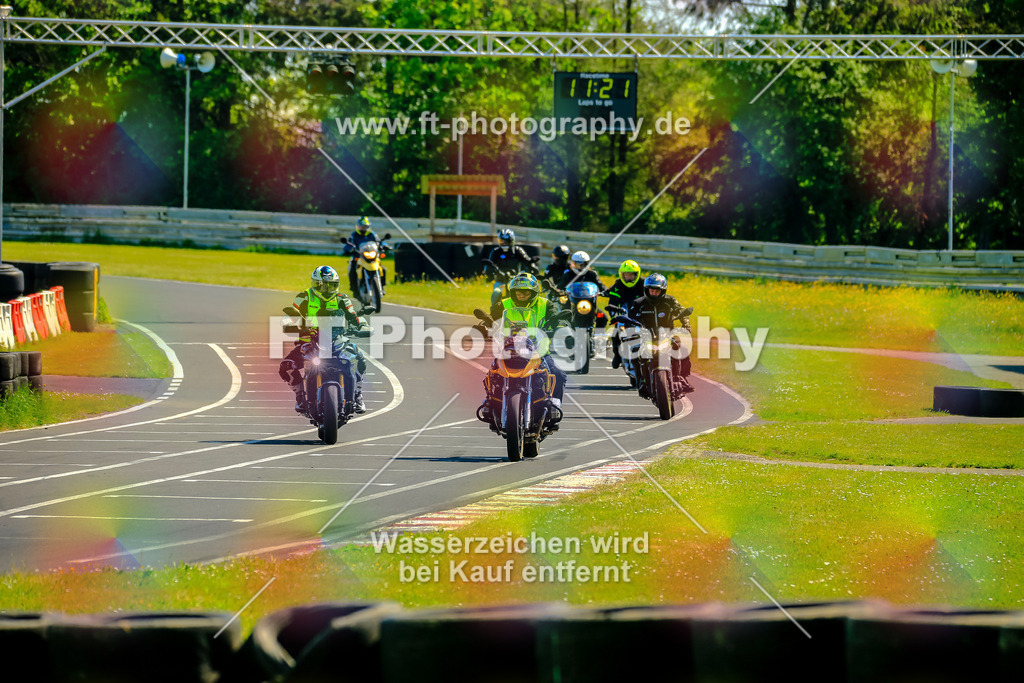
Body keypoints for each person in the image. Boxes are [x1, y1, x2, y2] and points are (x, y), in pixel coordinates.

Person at [278, 265, 369, 414]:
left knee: (359, 358)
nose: (326, 289)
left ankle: (358, 395)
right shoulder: (304, 297)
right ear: (315, 283)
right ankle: (300, 396)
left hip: (338, 340)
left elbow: (354, 315)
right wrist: (288, 323)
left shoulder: (342, 298)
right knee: (286, 366)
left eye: (331, 285)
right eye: (322, 285)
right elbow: (290, 314)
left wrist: (363, 325)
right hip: (308, 342)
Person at [479, 273, 567, 423]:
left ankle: (553, 409)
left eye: (526, 292)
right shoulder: (504, 304)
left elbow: (557, 318)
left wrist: (561, 327)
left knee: (558, 374)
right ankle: (489, 403)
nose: (522, 295)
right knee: (492, 374)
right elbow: (492, 319)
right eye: (518, 292)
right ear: (513, 292)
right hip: (508, 351)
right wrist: (484, 326)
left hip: (538, 352)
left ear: (533, 293)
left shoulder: (545, 304)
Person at [623, 273, 694, 395]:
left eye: (657, 291)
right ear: (646, 290)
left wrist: (686, 324)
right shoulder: (639, 303)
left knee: (681, 347)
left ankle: (681, 377)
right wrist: (630, 331)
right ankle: (641, 380)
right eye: (651, 291)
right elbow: (630, 319)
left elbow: (681, 311)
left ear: (663, 291)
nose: (653, 293)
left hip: (667, 334)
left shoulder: (669, 301)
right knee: (635, 351)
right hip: (646, 336)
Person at [604, 260, 645, 369]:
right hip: (624, 314)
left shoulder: (644, 284)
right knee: (615, 332)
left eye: (631, 275)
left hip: (641, 314)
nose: (628, 278)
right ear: (622, 275)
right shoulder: (618, 285)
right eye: (626, 275)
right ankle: (617, 355)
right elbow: (612, 301)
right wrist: (614, 316)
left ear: (636, 274)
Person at [483, 229, 538, 305]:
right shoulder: (496, 251)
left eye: (506, 241)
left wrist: (532, 263)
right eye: (501, 241)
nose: (503, 243)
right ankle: (493, 312)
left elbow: (526, 260)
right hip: (500, 280)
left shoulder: (517, 250)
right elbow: (490, 264)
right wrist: (491, 273)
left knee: (520, 294)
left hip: (515, 280)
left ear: (511, 241)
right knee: (496, 293)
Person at [342, 216, 387, 295]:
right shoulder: (354, 235)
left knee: (383, 269)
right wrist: (347, 249)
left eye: (365, 227)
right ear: (357, 227)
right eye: (361, 226)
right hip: (358, 256)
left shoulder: (372, 234)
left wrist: (385, 245)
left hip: (371, 256)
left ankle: (382, 287)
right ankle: (354, 290)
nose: (363, 228)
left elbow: (379, 241)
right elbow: (349, 243)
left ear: (368, 227)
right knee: (353, 271)